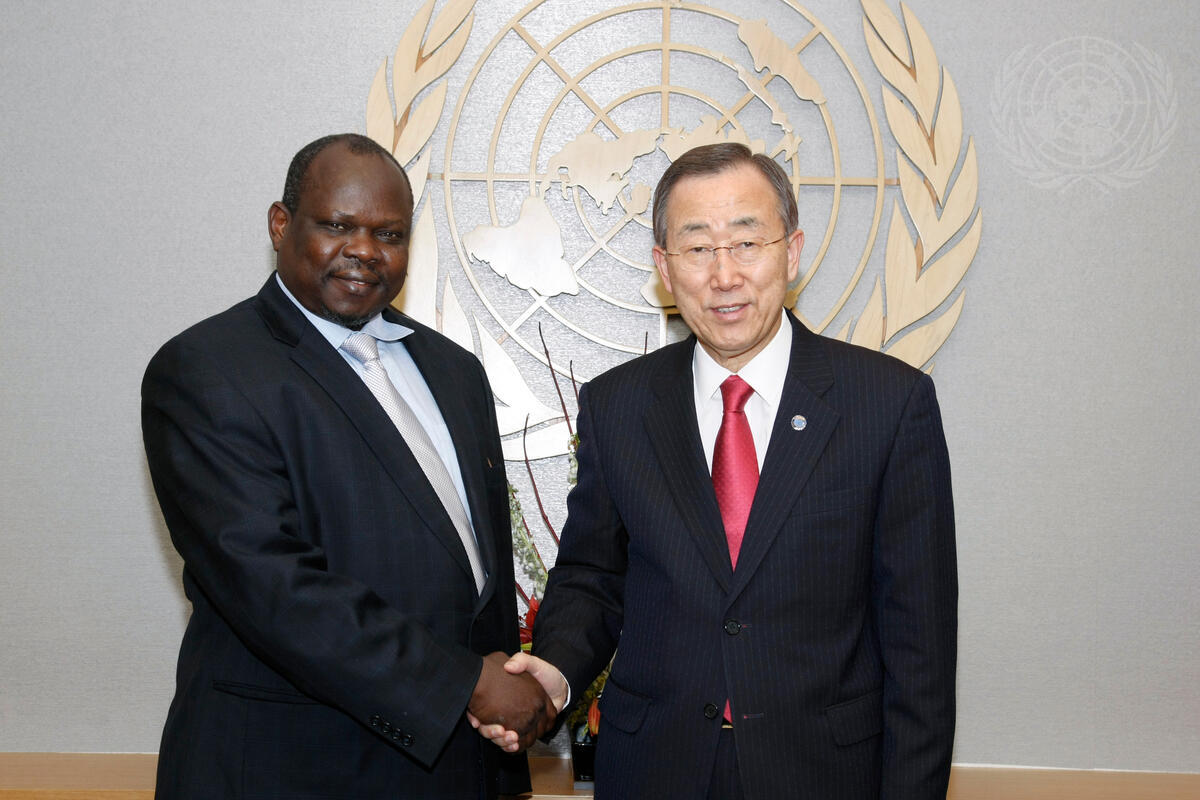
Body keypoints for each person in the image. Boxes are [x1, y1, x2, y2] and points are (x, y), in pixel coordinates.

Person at [482, 142, 957, 799]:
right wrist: (554, 672)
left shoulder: (888, 403)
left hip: (826, 772)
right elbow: (594, 575)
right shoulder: (619, 405)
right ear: (664, 267)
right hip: (655, 768)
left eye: (747, 242)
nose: (724, 274)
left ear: (791, 253)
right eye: (698, 247)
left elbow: (920, 643)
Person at [142, 133, 554, 800]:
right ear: (281, 225)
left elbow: (478, 583)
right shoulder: (206, 370)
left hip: (457, 768)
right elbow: (271, 586)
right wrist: (465, 686)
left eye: (388, 233)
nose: (364, 249)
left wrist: (503, 739)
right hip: (289, 770)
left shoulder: (454, 372)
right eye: (337, 225)